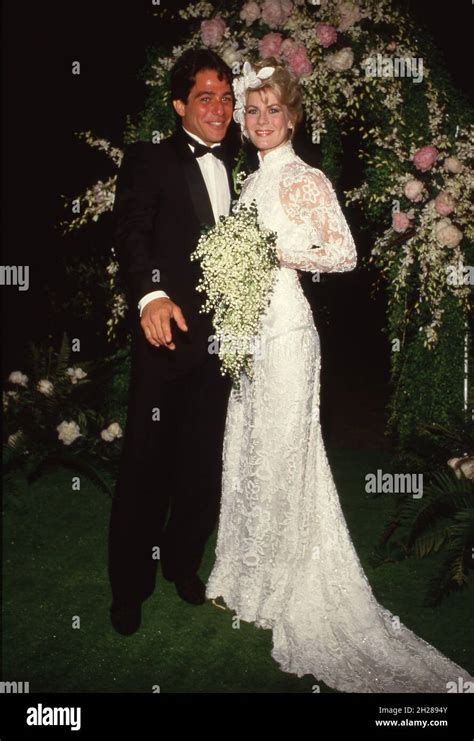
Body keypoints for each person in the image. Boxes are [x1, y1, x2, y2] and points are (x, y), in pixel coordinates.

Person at [206, 58, 474, 692]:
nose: (262, 120)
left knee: (282, 453)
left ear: (293, 116)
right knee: (247, 449)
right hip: (249, 335)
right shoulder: (247, 184)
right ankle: (245, 576)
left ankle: (284, 586)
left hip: (290, 333)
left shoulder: (305, 178)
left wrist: (273, 253)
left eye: (274, 109)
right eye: (253, 109)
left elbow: (345, 253)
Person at [108, 49, 235, 635]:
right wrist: (150, 295)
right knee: (145, 466)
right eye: (205, 97)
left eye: (226, 97)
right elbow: (131, 232)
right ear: (181, 104)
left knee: (201, 465)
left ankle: (183, 562)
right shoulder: (149, 159)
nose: (220, 107)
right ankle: (129, 587)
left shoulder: (244, 166)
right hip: (165, 341)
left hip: (223, 347)